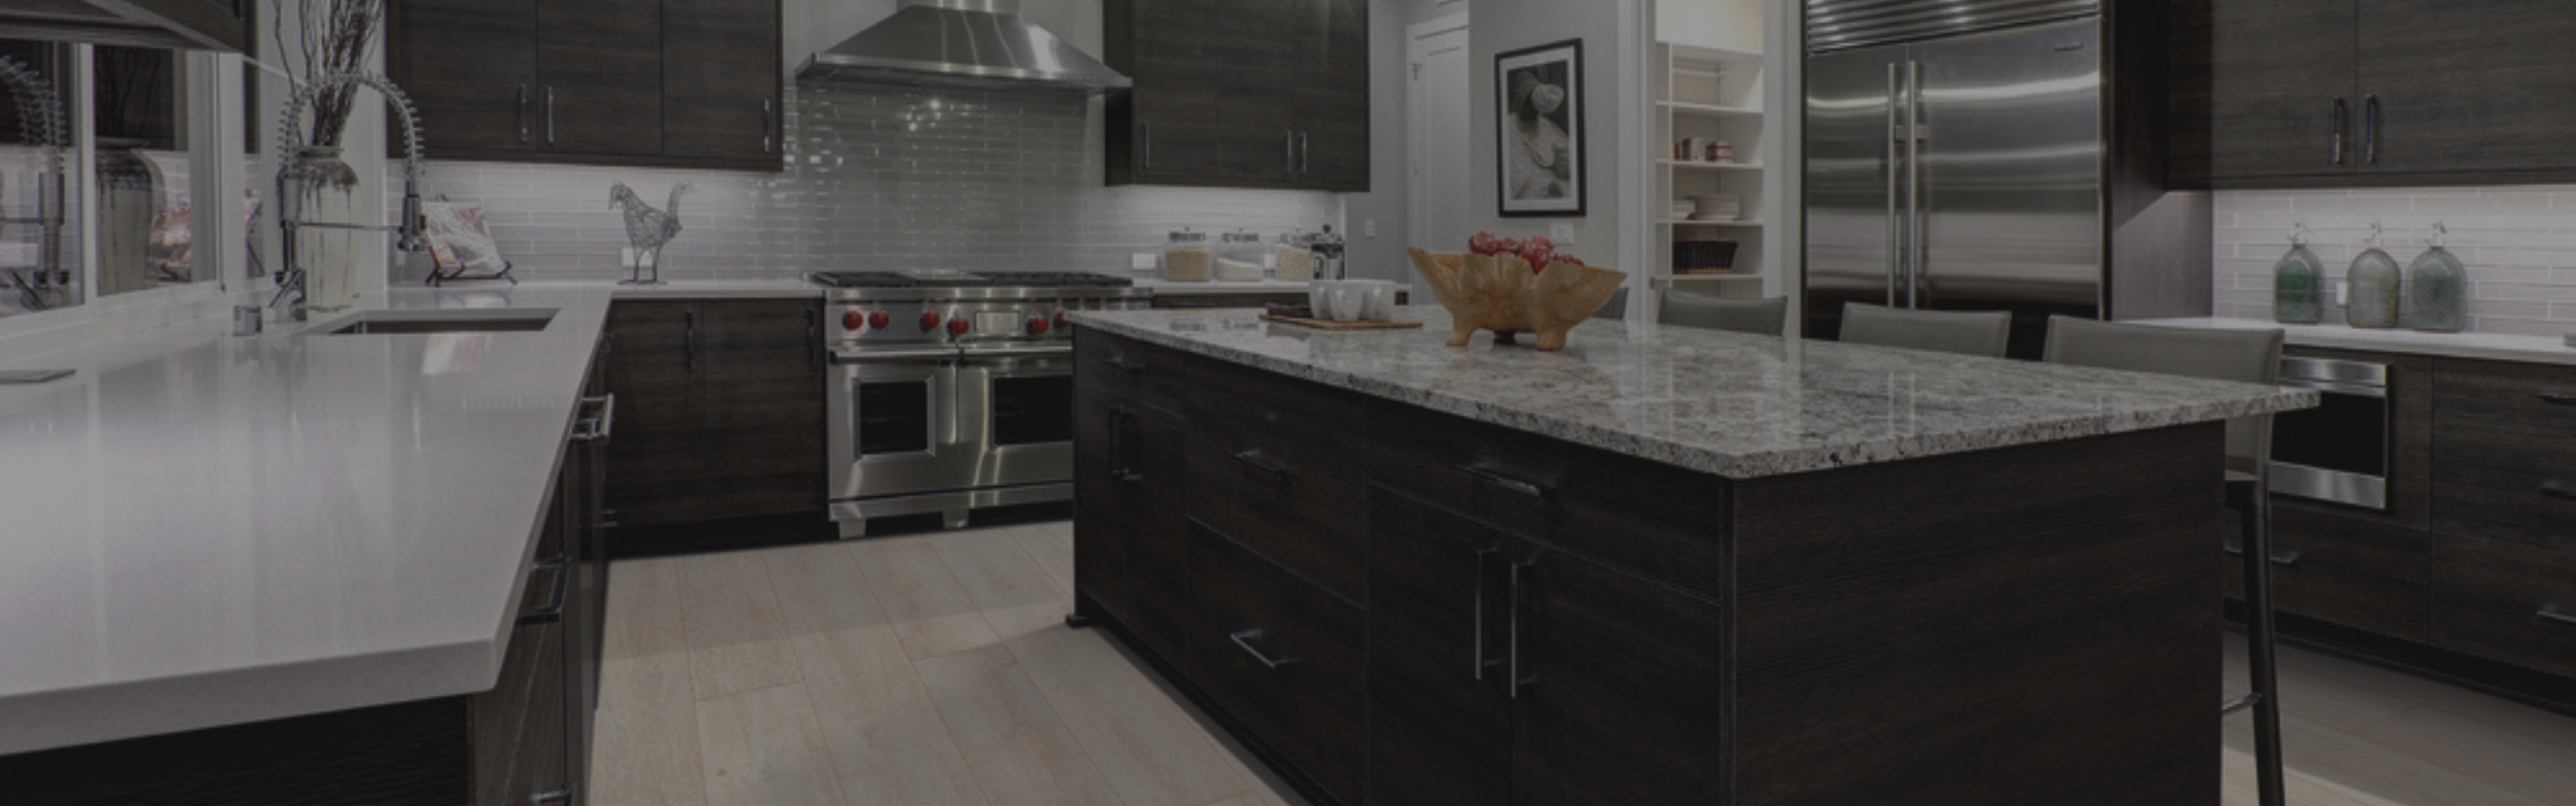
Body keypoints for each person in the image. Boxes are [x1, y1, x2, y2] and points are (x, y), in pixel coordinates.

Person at [1507, 69, 1572, 201]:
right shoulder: (1507, 127)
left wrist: (1568, 165)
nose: (1531, 110)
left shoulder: (1549, 129)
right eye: (1527, 103)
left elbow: (1571, 163)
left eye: (1533, 106)